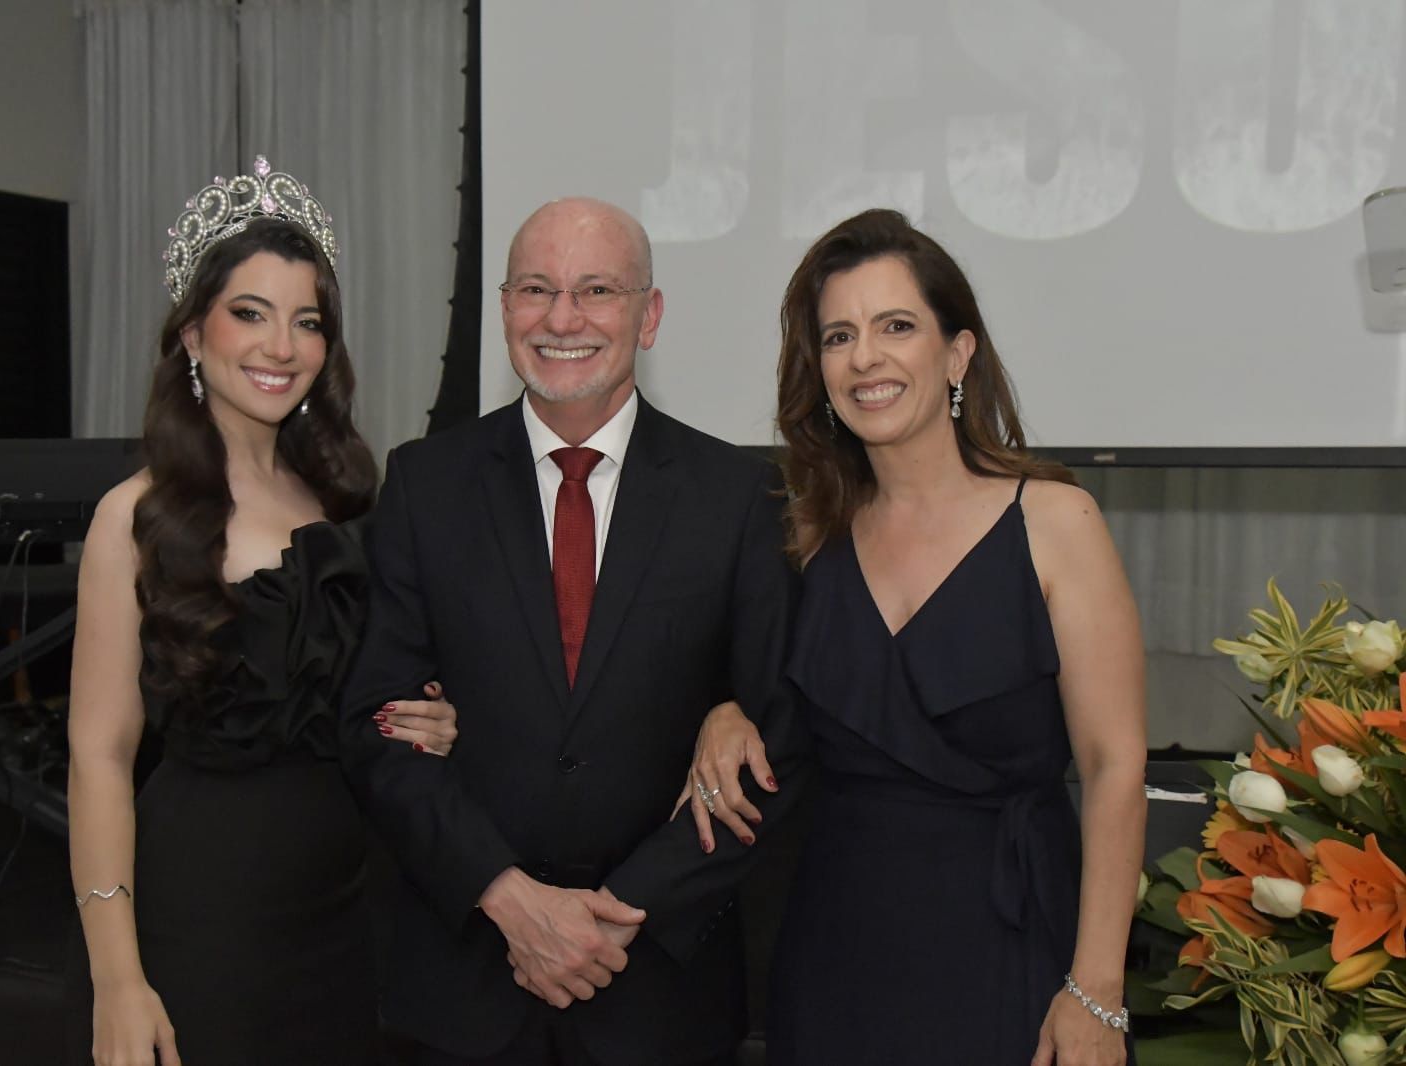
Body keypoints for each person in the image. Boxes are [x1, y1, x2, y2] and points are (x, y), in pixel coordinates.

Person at [338, 197, 809, 1066]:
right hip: (467, 978)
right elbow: (378, 725)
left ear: (650, 315)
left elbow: (778, 740)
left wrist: (614, 914)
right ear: (505, 309)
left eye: (597, 289)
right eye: (535, 290)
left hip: (659, 982)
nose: (563, 319)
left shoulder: (737, 497)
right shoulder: (422, 485)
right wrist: (511, 899)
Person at [686, 208, 1146, 1065]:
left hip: (1012, 948)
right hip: (838, 956)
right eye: (838, 336)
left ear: (958, 352)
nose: (866, 358)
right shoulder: (809, 536)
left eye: (896, 326)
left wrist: (1098, 991)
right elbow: (761, 695)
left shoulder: (1053, 520)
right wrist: (724, 710)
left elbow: (1117, 767)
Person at [64, 157, 456, 1066]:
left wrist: (429, 717)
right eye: (251, 313)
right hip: (204, 910)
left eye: (307, 321)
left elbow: (374, 695)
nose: (282, 345)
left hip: (349, 907)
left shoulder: (351, 504)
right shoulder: (138, 516)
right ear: (194, 333)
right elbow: (99, 755)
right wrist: (118, 981)